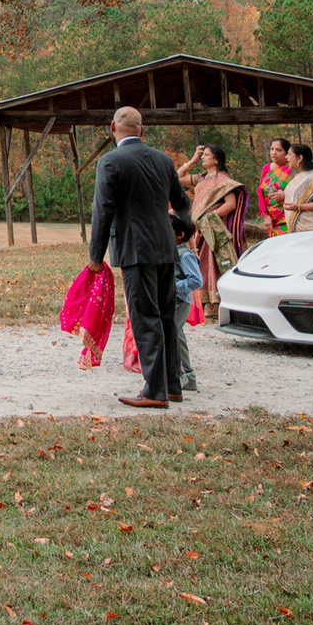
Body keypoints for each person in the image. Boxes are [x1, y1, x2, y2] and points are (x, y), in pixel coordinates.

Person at [87, 106, 191, 410]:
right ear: (141, 130)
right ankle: (172, 386)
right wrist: (183, 231)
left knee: (145, 318)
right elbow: (182, 203)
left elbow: (102, 211)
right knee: (166, 318)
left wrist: (96, 256)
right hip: (165, 248)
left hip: (134, 249)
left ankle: (155, 391)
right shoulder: (163, 160)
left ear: (112, 128)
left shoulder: (110, 162)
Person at [177, 144, 245, 319]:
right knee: (200, 263)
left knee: (213, 263)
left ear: (216, 159)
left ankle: (216, 304)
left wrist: (210, 217)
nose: (203, 158)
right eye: (202, 155)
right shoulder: (201, 178)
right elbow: (176, 177)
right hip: (199, 228)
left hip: (214, 228)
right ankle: (203, 304)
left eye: (206, 155)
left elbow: (231, 204)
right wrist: (191, 160)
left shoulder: (223, 180)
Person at [169, 215, 203, 396]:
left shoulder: (186, 255)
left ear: (180, 235)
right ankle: (189, 378)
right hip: (173, 302)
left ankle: (182, 376)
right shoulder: (171, 251)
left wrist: (174, 288)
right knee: (177, 337)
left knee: (173, 337)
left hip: (180, 302)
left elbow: (197, 281)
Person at [256, 138, 295, 236]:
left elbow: (300, 193)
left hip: (288, 216)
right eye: (272, 149)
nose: (274, 153)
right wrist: (265, 215)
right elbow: (260, 191)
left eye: (278, 150)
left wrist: (285, 195)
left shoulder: (292, 169)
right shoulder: (267, 168)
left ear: (286, 153)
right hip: (271, 219)